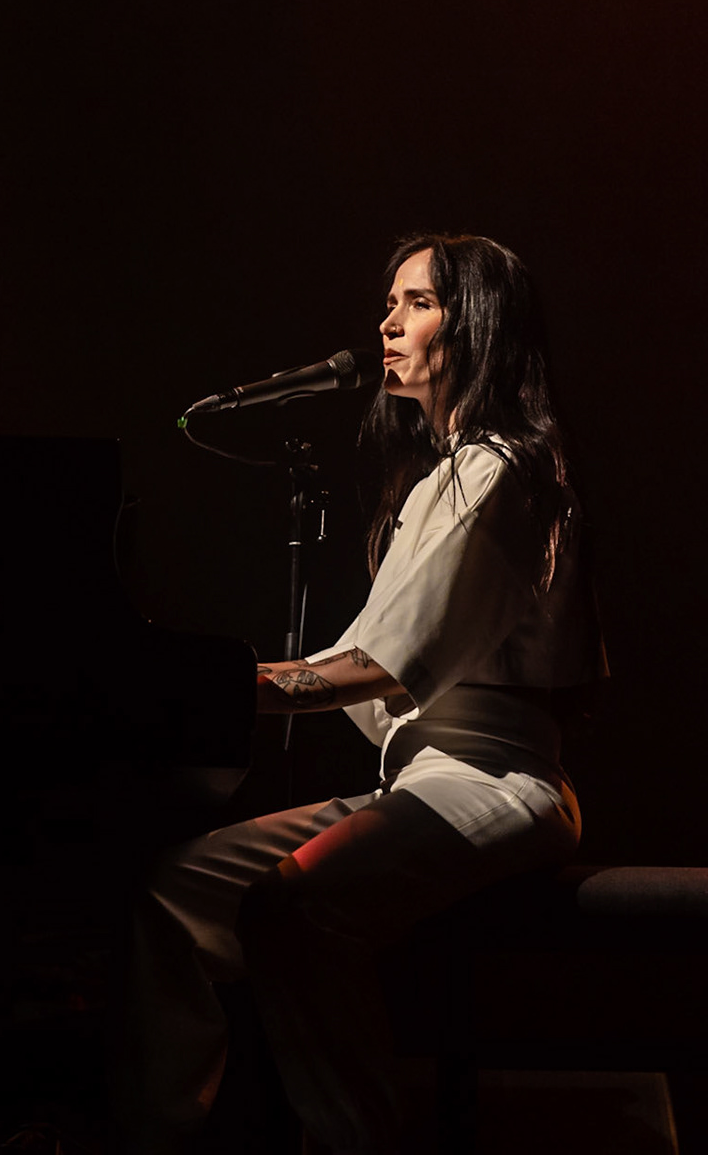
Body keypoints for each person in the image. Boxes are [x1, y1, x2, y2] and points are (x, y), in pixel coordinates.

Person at [117, 233, 605, 1154]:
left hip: (496, 783)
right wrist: (206, 681)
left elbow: (378, 669)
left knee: (289, 907)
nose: (387, 321)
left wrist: (202, 686)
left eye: (418, 302)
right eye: (389, 301)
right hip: (417, 781)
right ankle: (163, 1135)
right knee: (177, 891)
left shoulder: (499, 469)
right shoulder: (433, 483)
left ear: (479, 324)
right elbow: (357, 660)